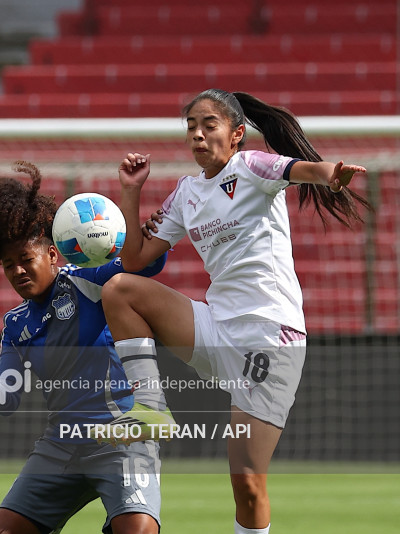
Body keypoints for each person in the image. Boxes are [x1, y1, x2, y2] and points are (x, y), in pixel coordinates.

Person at [100, 89, 370, 534]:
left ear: (237, 133)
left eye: (209, 125)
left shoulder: (251, 167)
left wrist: (330, 175)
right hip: (216, 326)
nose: (199, 135)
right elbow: (133, 259)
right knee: (121, 289)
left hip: (270, 336)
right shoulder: (186, 193)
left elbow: (300, 169)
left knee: (246, 482)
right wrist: (131, 191)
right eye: (191, 127)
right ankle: (149, 405)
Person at [0, 162, 174, 534]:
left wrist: (145, 232)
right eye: (8, 265)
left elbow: (146, 266)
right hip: (62, 444)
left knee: (139, 530)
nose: (17, 271)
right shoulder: (16, 325)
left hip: (121, 436)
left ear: (52, 255)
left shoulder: (88, 281)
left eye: (26, 259)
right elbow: (6, 401)